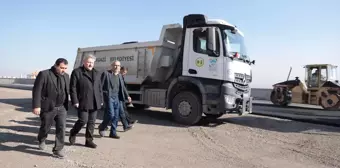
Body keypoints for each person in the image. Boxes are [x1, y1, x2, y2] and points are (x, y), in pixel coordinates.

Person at [32, 58, 70, 158]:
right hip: (48, 107)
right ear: (55, 65)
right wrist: (36, 106)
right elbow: (37, 91)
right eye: (62, 68)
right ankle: (42, 139)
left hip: (62, 107)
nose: (63, 70)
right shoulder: (44, 74)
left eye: (65, 68)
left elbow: (68, 91)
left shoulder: (66, 76)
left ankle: (58, 149)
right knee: (45, 127)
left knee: (62, 128)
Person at [69, 54, 103, 148]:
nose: (90, 64)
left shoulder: (97, 73)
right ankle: (73, 132)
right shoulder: (77, 72)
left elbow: (99, 87)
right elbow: (73, 87)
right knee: (83, 120)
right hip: (82, 100)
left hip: (95, 101)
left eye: (92, 62)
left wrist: (101, 99)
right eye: (88, 62)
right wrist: (75, 100)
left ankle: (89, 141)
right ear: (84, 62)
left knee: (92, 122)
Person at [98, 61, 133, 139]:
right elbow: (100, 86)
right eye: (115, 65)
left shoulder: (120, 76)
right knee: (111, 114)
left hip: (117, 98)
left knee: (116, 116)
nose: (117, 67)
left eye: (118, 65)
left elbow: (123, 87)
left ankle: (113, 133)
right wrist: (101, 97)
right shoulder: (106, 74)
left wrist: (128, 96)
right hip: (109, 97)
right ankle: (102, 127)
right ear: (111, 66)